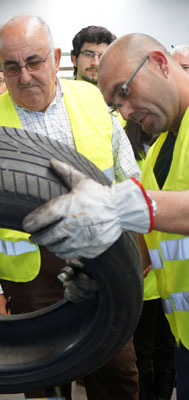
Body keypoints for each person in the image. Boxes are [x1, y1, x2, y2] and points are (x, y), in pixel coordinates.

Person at [0, 15, 141, 400]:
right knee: (42, 382)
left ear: (57, 58)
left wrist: (137, 248)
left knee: (116, 374)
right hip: (29, 283)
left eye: (35, 61)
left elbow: (129, 177)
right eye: (11, 66)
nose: (24, 76)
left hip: (101, 264)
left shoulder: (92, 101)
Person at [22, 32, 189, 400]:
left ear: (161, 64)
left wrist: (125, 204)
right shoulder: (162, 147)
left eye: (124, 92)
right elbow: (156, 236)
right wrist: (102, 273)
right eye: (116, 104)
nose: (125, 112)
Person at [125, 121, 175, 400]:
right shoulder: (136, 158)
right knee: (143, 348)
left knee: (165, 346)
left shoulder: (167, 149)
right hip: (145, 273)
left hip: (166, 273)